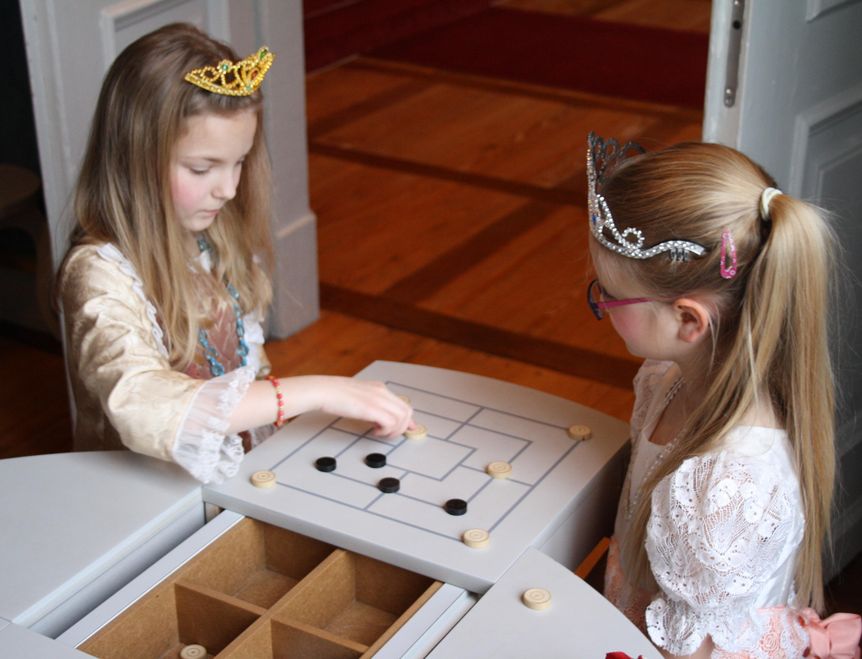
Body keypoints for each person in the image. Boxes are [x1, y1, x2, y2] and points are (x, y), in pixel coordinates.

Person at [57, 23, 413, 484]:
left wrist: (317, 413)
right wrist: (319, 391)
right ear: (135, 160)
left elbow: (247, 367)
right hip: (148, 493)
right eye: (201, 168)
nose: (227, 189)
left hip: (236, 473)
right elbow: (143, 403)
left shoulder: (215, 236)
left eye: (239, 161)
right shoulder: (98, 273)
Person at [585, 133, 861, 658]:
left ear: (688, 320)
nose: (602, 306)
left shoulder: (728, 488)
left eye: (610, 296)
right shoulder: (665, 377)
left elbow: (695, 648)